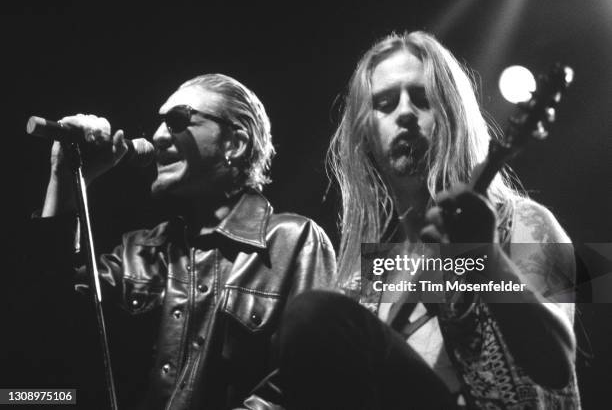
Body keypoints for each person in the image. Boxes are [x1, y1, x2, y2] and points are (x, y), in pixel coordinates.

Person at [277, 31, 580, 409]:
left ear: (452, 114)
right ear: (365, 133)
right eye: (385, 104)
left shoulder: (526, 222)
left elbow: (555, 364)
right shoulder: (369, 275)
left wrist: (483, 256)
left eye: (421, 99)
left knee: (314, 314)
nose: (404, 112)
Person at [33, 73, 336, 409]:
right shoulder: (139, 251)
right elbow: (48, 312)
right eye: (160, 123)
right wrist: (68, 176)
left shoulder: (293, 241)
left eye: (178, 120)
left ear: (234, 144)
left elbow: (309, 381)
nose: (159, 136)